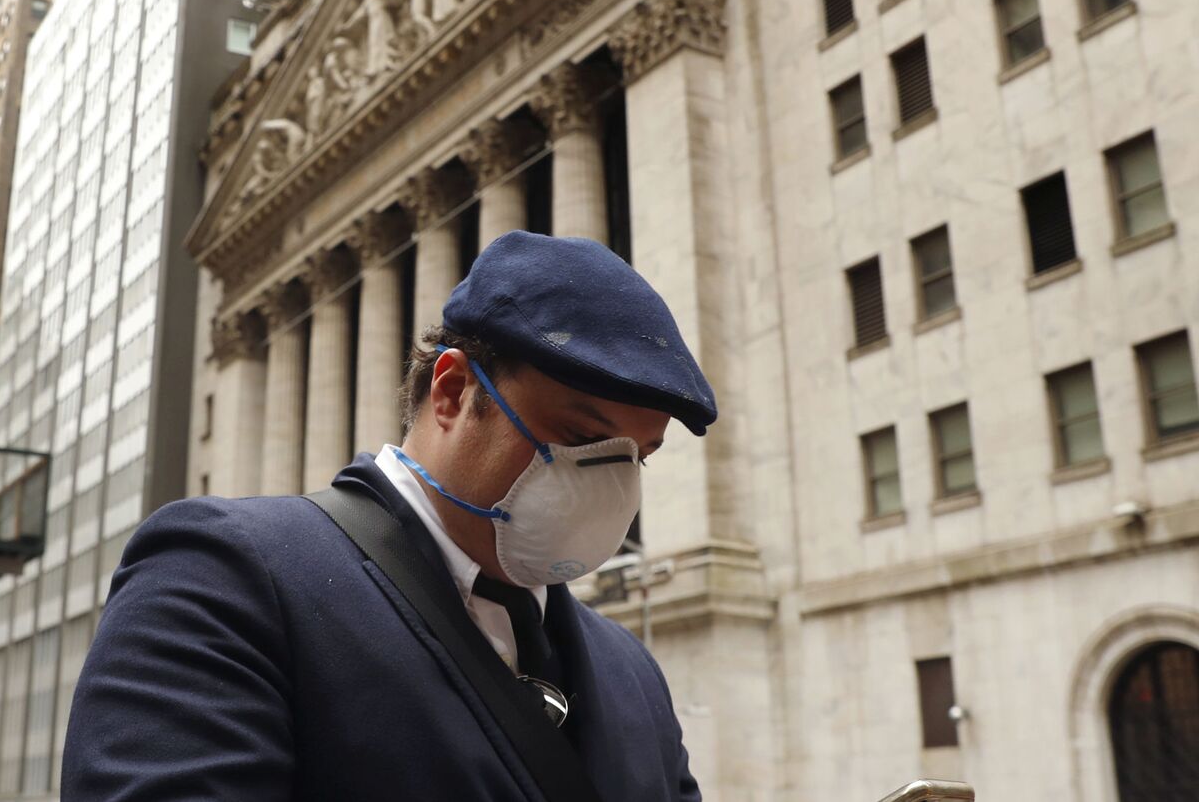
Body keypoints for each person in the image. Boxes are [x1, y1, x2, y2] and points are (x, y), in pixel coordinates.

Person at [62, 231, 714, 801]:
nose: (612, 486)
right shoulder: (220, 580)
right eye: (579, 439)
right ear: (454, 392)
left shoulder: (634, 672)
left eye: (636, 458)